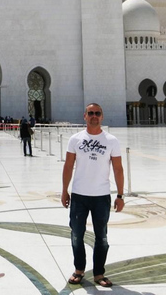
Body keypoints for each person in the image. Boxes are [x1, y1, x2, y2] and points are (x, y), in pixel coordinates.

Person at [61, 103, 124, 288]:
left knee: (102, 237)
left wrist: (120, 195)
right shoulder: (75, 139)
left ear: (102, 117)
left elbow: (118, 169)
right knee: (76, 235)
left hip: (101, 196)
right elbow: (68, 166)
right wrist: (64, 190)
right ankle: (79, 269)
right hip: (79, 195)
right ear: (84, 116)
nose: (94, 116)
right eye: (91, 113)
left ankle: (99, 273)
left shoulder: (111, 141)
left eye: (97, 113)